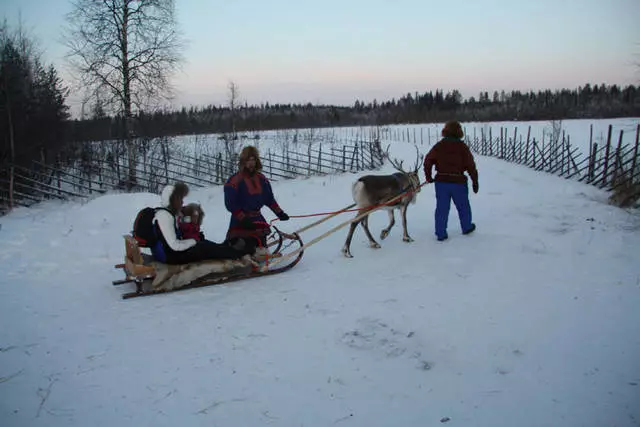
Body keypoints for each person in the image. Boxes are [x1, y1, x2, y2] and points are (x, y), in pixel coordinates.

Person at [151, 182, 248, 264]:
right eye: (180, 199)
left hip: (170, 253)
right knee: (204, 248)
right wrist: (193, 241)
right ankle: (238, 253)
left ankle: (229, 248)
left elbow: (178, 228)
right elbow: (174, 245)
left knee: (205, 244)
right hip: (171, 257)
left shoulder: (169, 214)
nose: (182, 202)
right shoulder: (165, 216)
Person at [224, 146, 290, 256]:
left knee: (259, 244)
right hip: (241, 221)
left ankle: (259, 255)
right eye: (248, 160)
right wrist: (242, 218)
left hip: (257, 218)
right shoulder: (235, 180)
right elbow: (230, 203)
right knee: (241, 248)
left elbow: (269, 199)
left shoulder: (262, 179)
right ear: (243, 161)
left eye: (253, 160)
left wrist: (280, 213)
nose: (251, 163)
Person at [423, 120, 479, 241]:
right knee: (463, 206)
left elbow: (428, 161)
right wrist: (475, 181)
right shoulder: (462, 147)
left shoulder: (439, 146)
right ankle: (467, 227)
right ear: (459, 132)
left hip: (442, 182)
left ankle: (441, 233)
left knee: (442, 208)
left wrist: (428, 176)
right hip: (459, 182)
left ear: (445, 131)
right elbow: (471, 166)